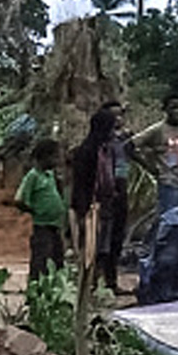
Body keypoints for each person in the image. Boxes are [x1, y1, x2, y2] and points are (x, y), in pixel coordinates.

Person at [71, 108, 120, 287]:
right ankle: (87, 286)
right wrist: (83, 210)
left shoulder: (106, 150)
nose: (113, 133)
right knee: (90, 247)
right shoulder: (87, 151)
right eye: (110, 128)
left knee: (103, 247)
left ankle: (97, 284)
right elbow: (82, 183)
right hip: (91, 206)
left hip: (106, 203)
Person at [129, 92, 178, 215]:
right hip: (169, 184)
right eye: (173, 108)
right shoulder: (158, 129)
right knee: (168, 221)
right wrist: (150, 167)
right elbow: (129, 146)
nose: (177, 111)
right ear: (165, 110)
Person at [13, 138, 65, 282]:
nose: (57, 160)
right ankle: (35, 293)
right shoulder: (33, 176)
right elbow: (18, 199)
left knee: (57, 259)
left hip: (54, 225)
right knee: (40, 260)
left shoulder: (51, 175)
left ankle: (54, 291)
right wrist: (35, 211)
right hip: (42, 226)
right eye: (54, 157)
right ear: (44, 157)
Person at [99, 100, 130, 291]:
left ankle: (111, 281)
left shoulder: (124, 141)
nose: (118, 119)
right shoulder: (101, 143)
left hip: (122, 185)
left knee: (118, 235)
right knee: (104, 237)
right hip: (107, 191)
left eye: (120, 115)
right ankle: (98, 281)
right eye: (113, 115)